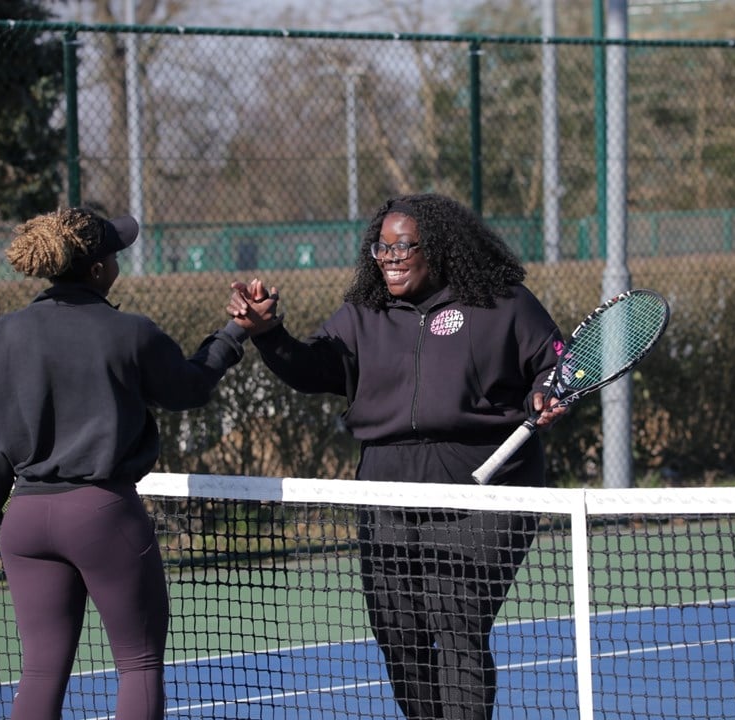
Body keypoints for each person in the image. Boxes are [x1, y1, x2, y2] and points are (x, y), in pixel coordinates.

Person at [227, 193, 566, 720]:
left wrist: (547, 392)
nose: (389, 259)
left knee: (457, 623)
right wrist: (269, 334)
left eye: (402, 247)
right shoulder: (364, 313)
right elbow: (313, 368)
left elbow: (555, 361)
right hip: (385, 487)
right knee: (400, 636)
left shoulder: (501, 302)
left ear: (439, 247)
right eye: (380, 250)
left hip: (485, 486)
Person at [0, 207, 251, 720]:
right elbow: (189, 386)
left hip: (25, 522)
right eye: (113, 253)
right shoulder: (129, 331)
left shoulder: (5, 332)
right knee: (138, 665)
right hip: (101, 517)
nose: (118, 260)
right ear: (95, 270)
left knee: (41, 670)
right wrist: (235, 332)